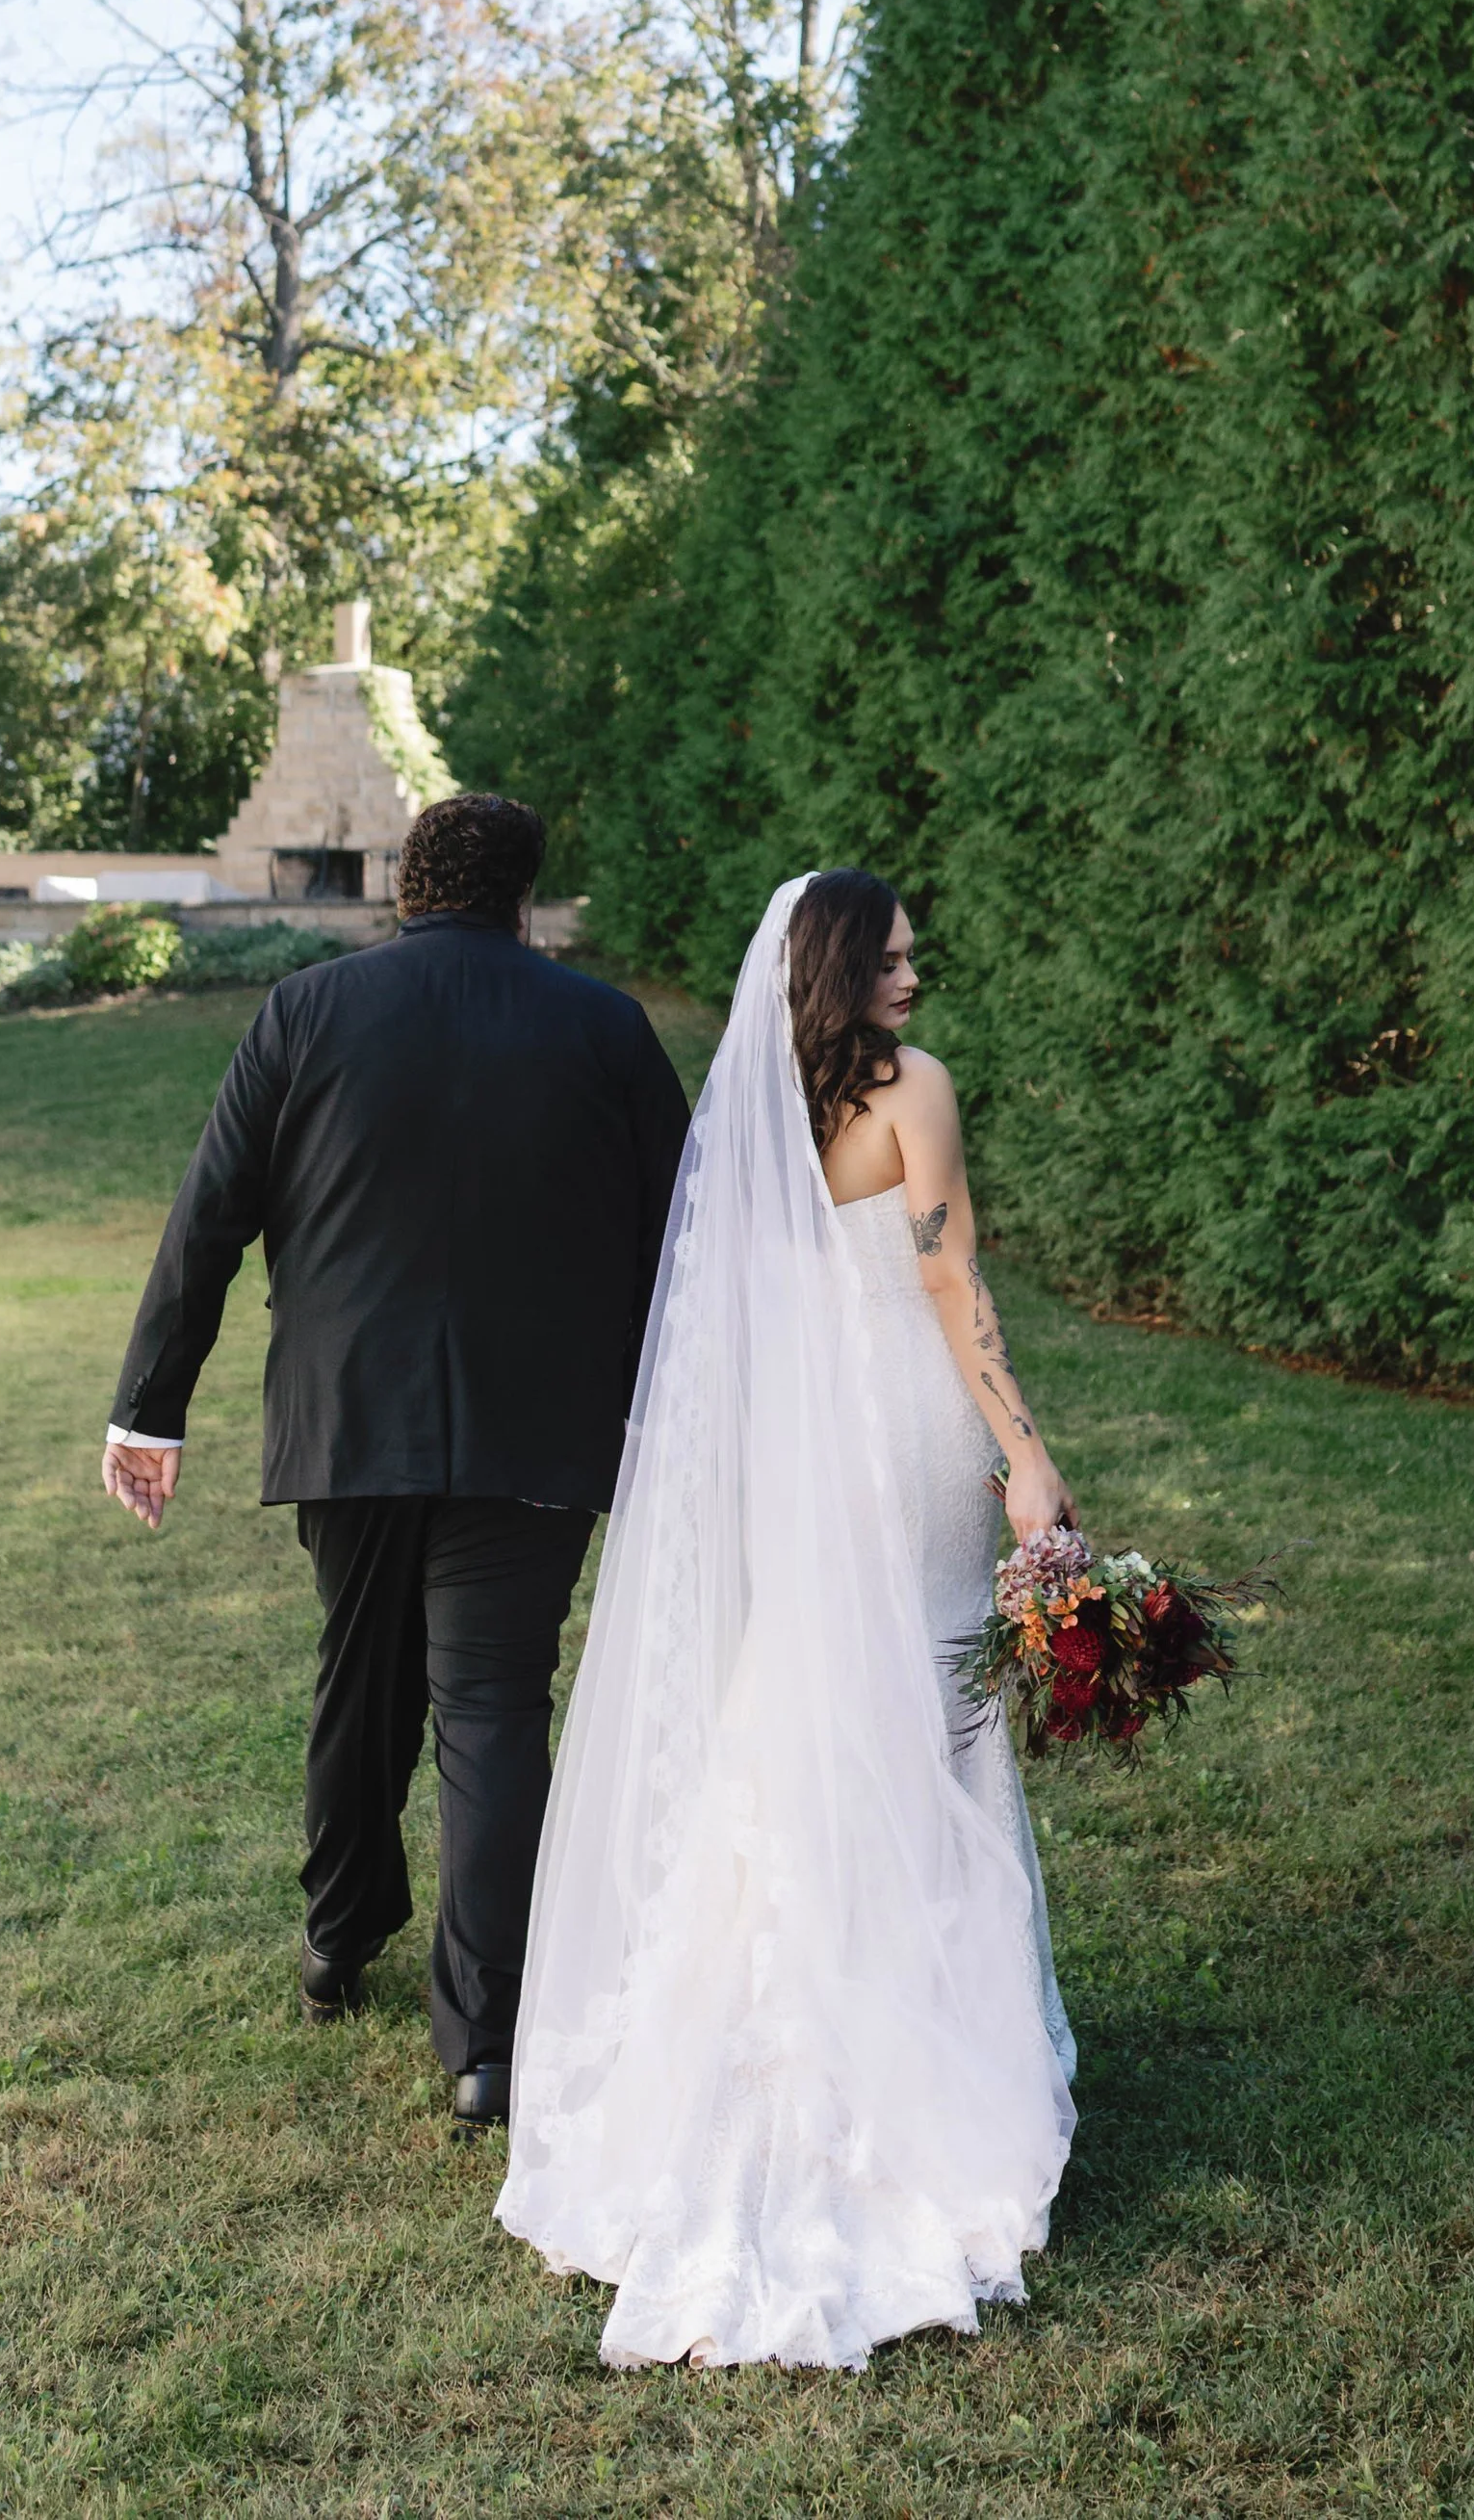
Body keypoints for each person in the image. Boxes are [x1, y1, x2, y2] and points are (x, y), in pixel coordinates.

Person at [497, 870, 1078, 2368]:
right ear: (835, 967)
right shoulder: (914, 1090)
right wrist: (1022, 1448)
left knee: (813, 1704)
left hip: (811, 1455)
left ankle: (747, 2042)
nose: (911, 970)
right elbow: (950, 1276)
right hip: (907, 1434)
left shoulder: (761, 1105)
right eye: (888, 954)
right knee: (931, 1716)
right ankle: (915, 2058)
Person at [99, 792, 691, 2128]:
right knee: (491, 1710)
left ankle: (339, 1932)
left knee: (360, 1681)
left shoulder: (304, 1013)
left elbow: (209, 1217)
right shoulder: (603, 1026)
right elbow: (685, 1232)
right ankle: (485, 2041)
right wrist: (672, 1412)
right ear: (522, 899)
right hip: (537, 1428)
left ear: (405, 889)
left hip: (346, 1416)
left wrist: (151, 1408)